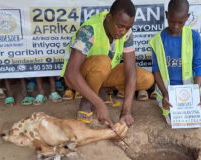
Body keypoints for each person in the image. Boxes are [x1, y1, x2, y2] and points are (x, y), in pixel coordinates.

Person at [62, 0, 154, 128]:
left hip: (103, 73)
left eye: (128, 28)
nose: (123, 31)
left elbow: (130, 70)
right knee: (103, 62)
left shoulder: (126, 32)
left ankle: (101, 91)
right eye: (120, 26)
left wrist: (126, 110)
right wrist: (99, 104)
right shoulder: (89, 30)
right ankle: (87, 102)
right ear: (109, 18)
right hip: (78, 78)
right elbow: (71, 73)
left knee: (146, 78)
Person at [149, 0, 201, 125]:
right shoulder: (158, 40)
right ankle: (164, 103)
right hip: (167, 91)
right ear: (167, 15)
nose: (176, 26)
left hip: (189, 91)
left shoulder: (194, 37)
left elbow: (198, 66)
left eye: (181, 22)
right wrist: (165, 94)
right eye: (172, 21)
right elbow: (156, 70)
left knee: (193, 122)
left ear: (187, 17)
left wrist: (196, 92)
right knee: (173, 121)